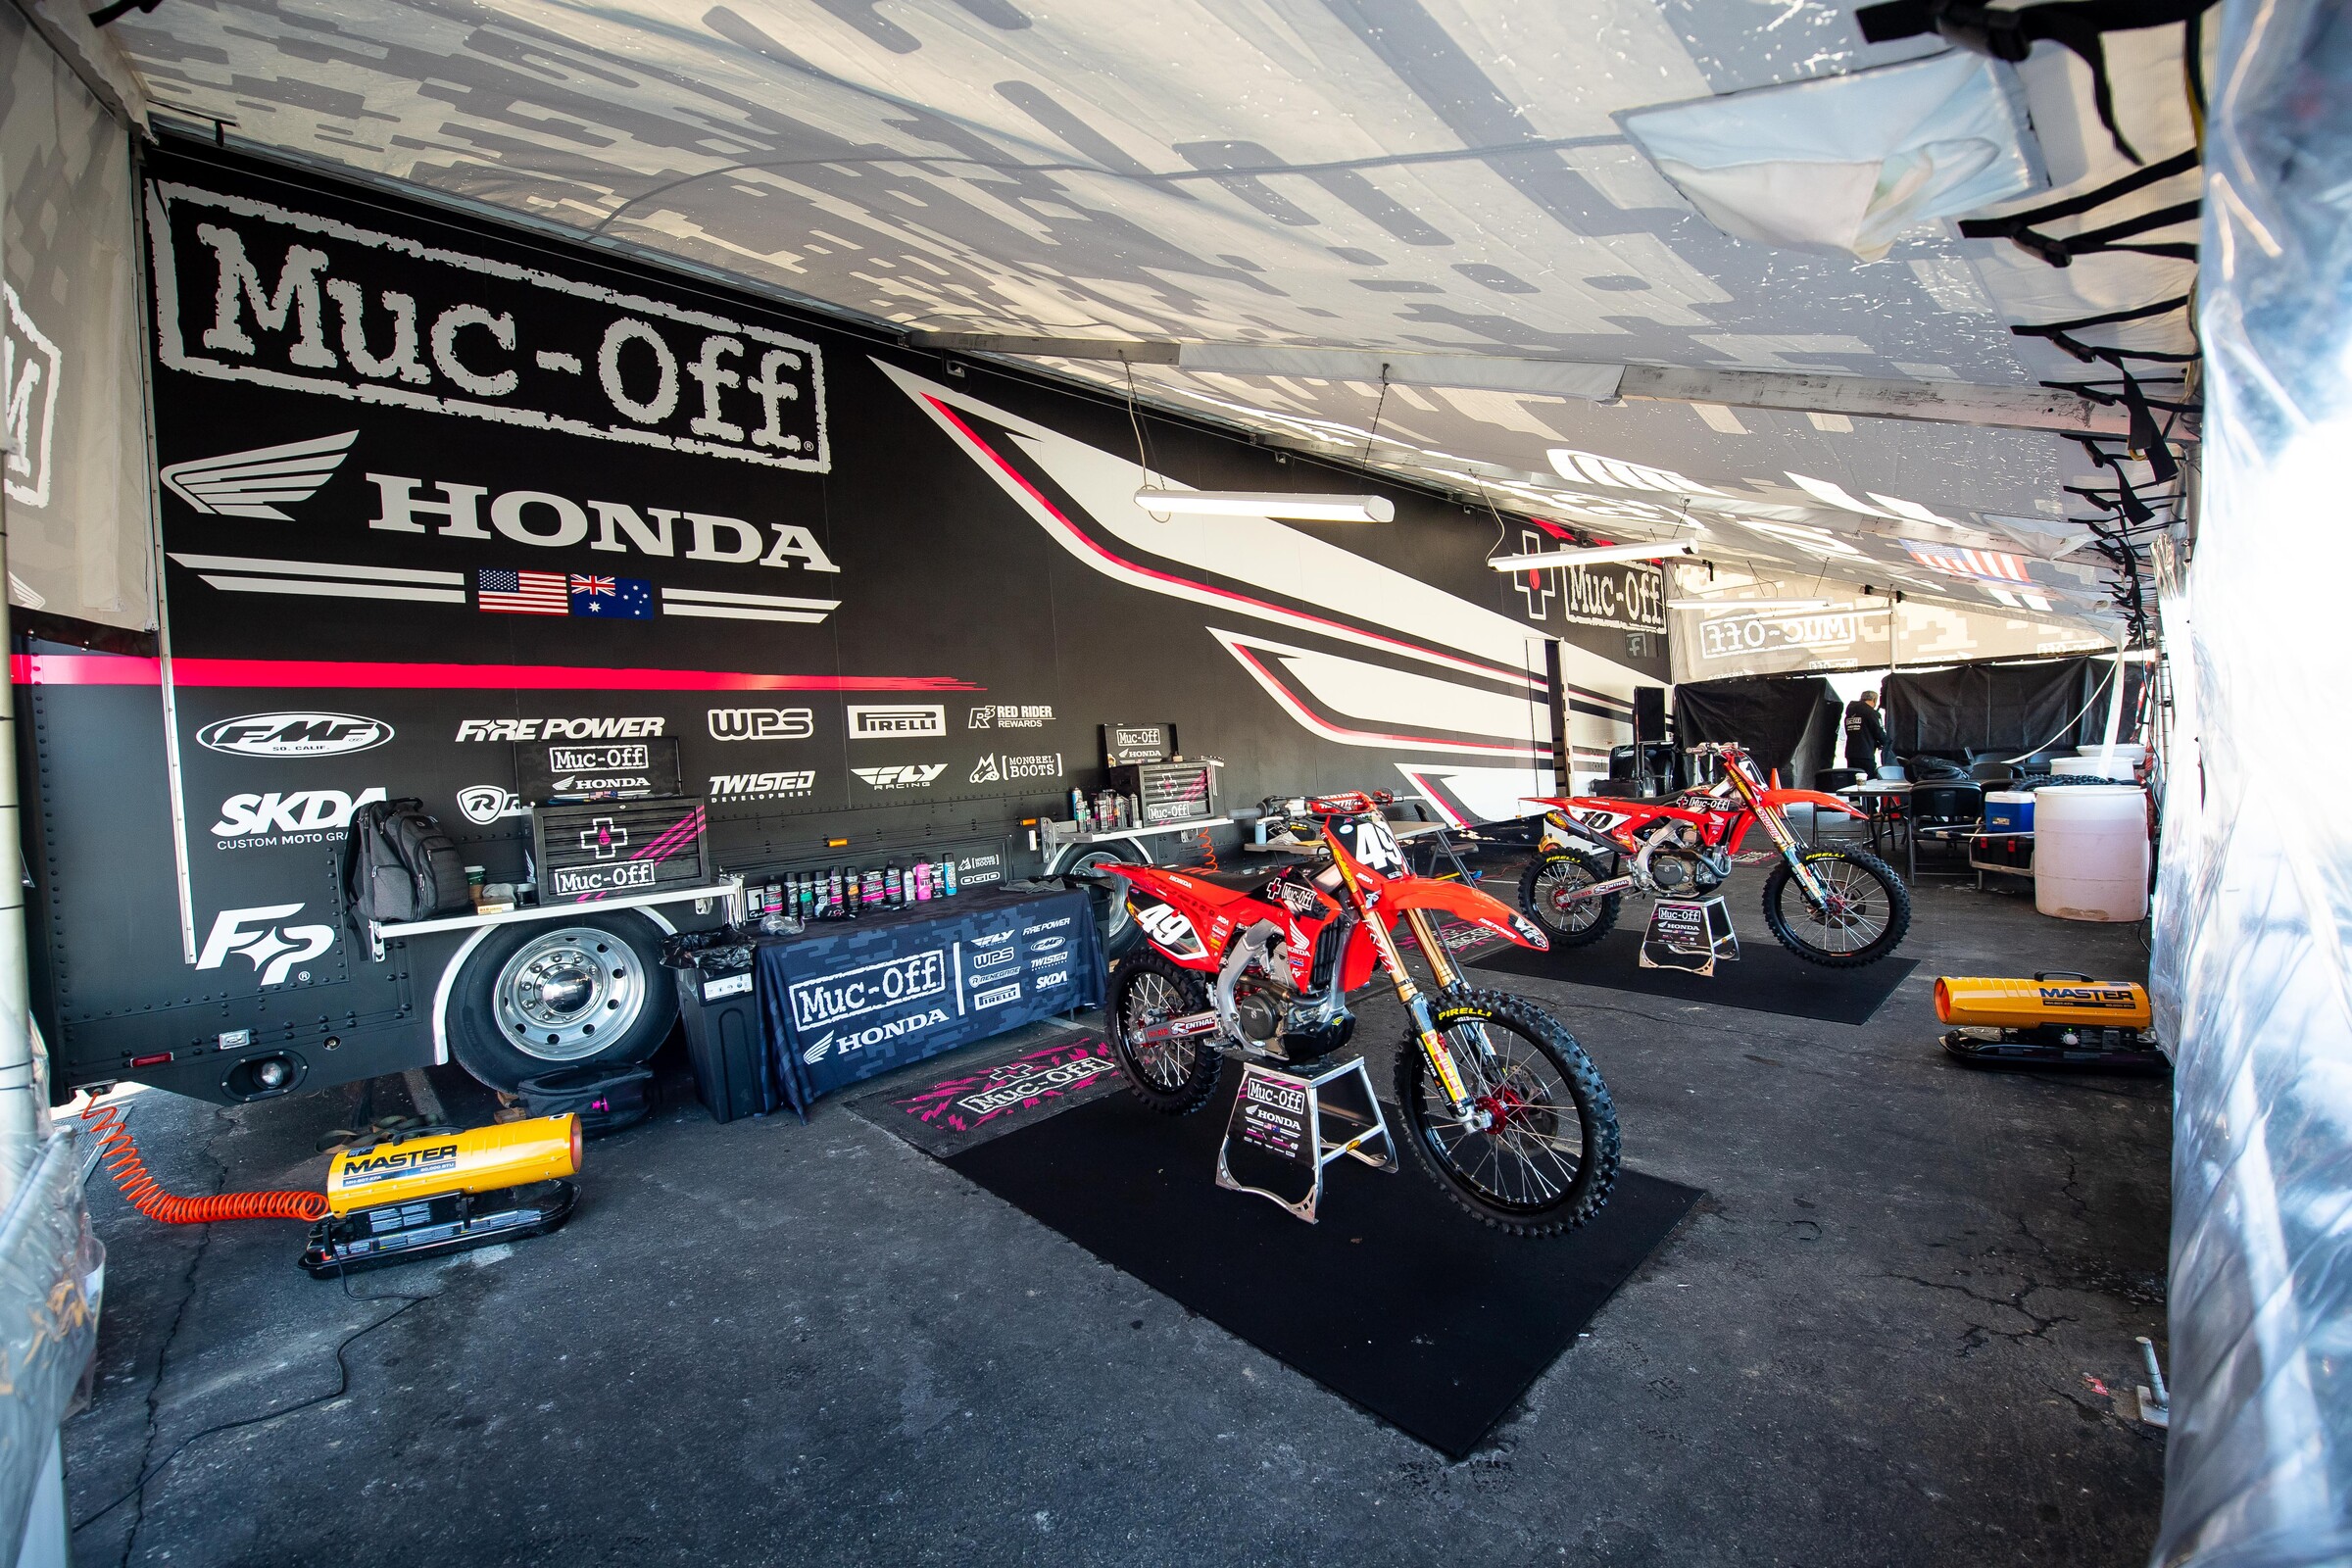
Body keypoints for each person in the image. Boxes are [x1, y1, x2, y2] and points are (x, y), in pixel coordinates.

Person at [1844, 690, 1892, 773]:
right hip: (1865, 754)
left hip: (1850, 754)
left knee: (1853, 780)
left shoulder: (1850, 713)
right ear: (1874, 699)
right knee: (1868, 780)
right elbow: (1878, 731)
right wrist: (1887, 742)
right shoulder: (1871, 713)